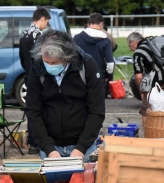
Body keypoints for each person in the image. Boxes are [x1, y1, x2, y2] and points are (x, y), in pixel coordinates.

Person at [26, 29, 105, 162]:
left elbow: (97, 110)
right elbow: (33, 112)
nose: (49, 66)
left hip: (83, 148)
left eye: (54, 63)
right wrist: (48, 148)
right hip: (51, 149)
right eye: (47, 62)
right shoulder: (37, 68)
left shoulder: (86, 65)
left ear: (66, 57)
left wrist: (81, 147)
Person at [19, 8, 51, 154]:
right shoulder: (38, 35)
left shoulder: (25, 33)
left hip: (27, 75)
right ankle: (40, 142)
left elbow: (21, 57)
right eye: (47, 22)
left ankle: (32, 143)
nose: (47, 25)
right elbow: (41, 57)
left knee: (32, 110)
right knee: (42, 110)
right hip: (38, 76)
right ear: (42, 19)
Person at [73, 13, 114, 98]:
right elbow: (110, 63)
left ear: (89, 23)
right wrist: (107, 76)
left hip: (80, 74)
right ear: (101, 24)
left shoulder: (77, 38)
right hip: (99, 75)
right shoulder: (105, 41)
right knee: (97, 105)